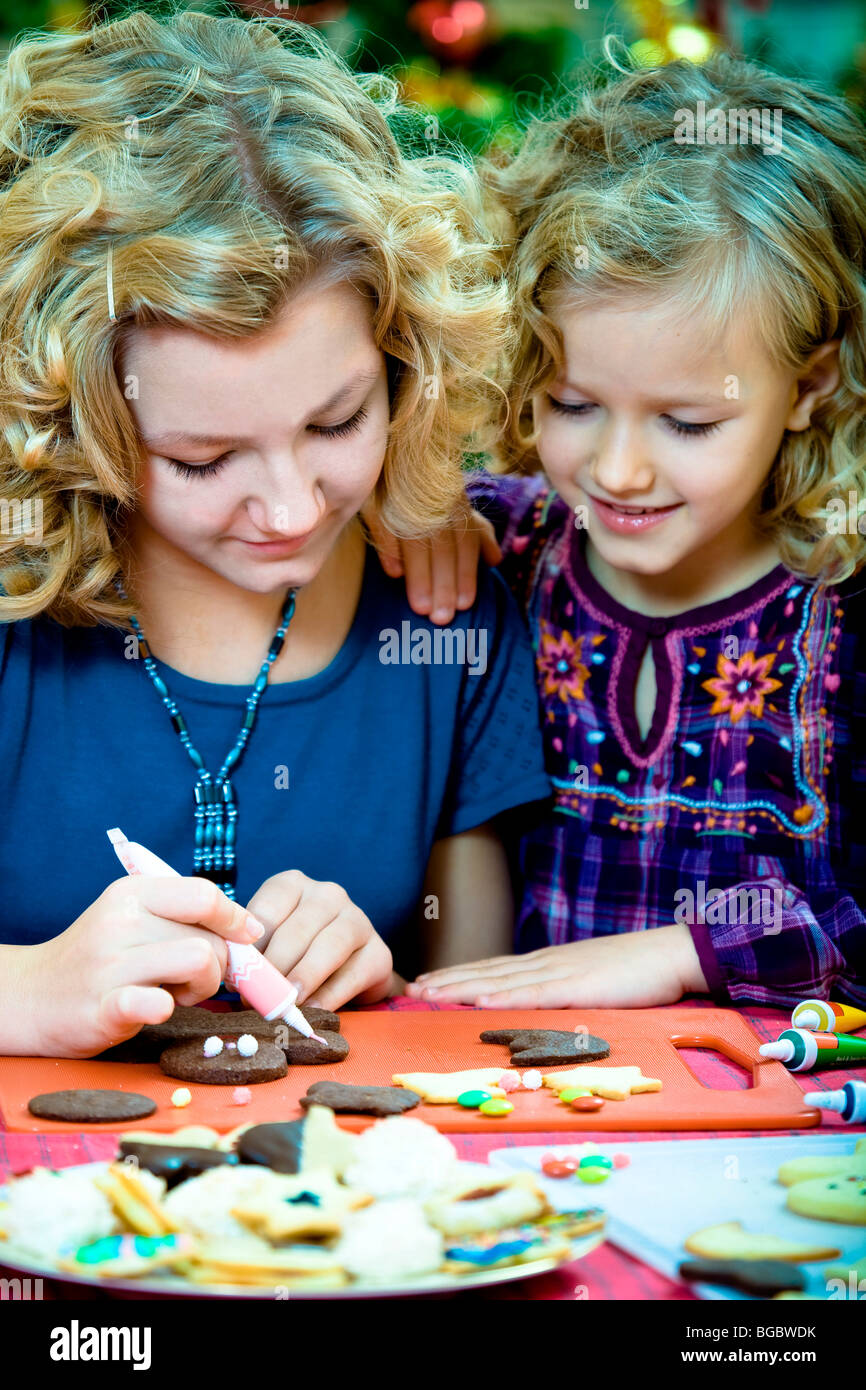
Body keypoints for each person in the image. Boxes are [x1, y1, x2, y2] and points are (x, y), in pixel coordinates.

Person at [0, 9, 551, 1057]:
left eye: (337, 421)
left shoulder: (443, 611)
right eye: (203, 460)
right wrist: (26, 990)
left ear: (402, 363)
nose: (294, 510)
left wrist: (385, 975)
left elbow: (477, 1024)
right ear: (71, 422)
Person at [382, 48, 866, 1010]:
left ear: (808, 387)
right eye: (572, 403)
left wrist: (690, 950)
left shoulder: (846, 607)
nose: (616, 471)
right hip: (537, 1122)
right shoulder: (507, 551)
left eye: (688, 422)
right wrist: (403, 501)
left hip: (783, 1133)